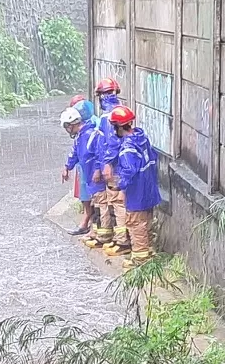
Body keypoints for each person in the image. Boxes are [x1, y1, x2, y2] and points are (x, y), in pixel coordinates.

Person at [106, 103, 161, 262]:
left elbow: (129, 171)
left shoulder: (127, 148)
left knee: (136, 224)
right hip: (150, 188)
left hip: (137, 192)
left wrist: (119, 186)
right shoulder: (142, 139)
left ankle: (140, 259)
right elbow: (153, 157)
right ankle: (149, 252)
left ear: (118, 126)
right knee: (146, 222)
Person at [84, 78, 124, 250]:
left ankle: (123, 241)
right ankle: (112, 236)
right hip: (112, 165)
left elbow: (112, 143)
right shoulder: (115, 112)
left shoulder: (109, 116)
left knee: (117, 203)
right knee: (111, 202)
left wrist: (106, 164)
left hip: (114, 167)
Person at [61, 99, 104, 238]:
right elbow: (74, 153)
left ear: (72, 124)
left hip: (95, 176)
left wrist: (98, 170)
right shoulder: (81, 137)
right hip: (89, 175)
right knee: (96, 202)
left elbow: (100, 154)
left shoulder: (91, 134)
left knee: (100, 205)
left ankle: (99, 234)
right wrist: (67, 167)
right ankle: (96, 232)